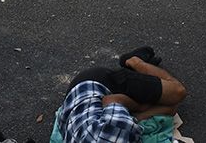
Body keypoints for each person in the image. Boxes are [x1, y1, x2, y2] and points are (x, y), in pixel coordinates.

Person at [58, 51, 188, 142]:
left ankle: (134, 62)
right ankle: (137, 106)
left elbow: (112, 100)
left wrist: (142, 108)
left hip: (97, 82)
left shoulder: (115, 135)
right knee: (169, 109)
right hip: (74, 103)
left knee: (177, 93)